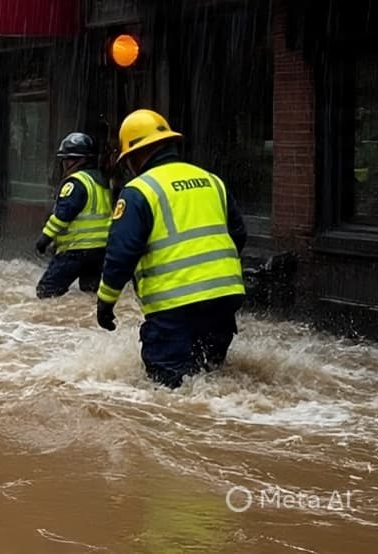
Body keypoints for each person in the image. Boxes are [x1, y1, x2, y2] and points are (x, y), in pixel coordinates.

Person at [95, 109, 248, 388]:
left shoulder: (139, 191)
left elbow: (121, 254)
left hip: (175, 307)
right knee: (212, 381)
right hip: (225, 298)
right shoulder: (211, 180)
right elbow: (238, 234)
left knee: (168, 389)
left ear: (135, 156)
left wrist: (105, 302)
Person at [34, 132, 113, 298]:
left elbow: (62, 216)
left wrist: (44, 239)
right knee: (90, 294)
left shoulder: (76, 182)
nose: (64, 164)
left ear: (78, 160)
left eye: (66, 159)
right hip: (100, 251)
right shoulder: (101, 181)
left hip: (75, 250)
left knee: (46, 292)